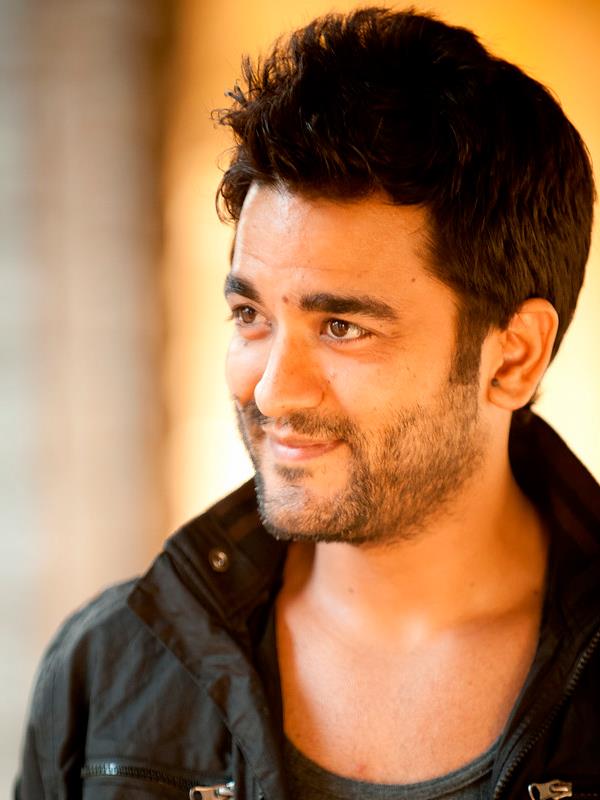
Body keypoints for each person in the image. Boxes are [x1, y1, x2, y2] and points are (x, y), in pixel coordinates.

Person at [16, 7, 600, 799]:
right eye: (250, 315)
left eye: (342, 327)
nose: (270, 390)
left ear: (514, 356)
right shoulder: (109, 671)